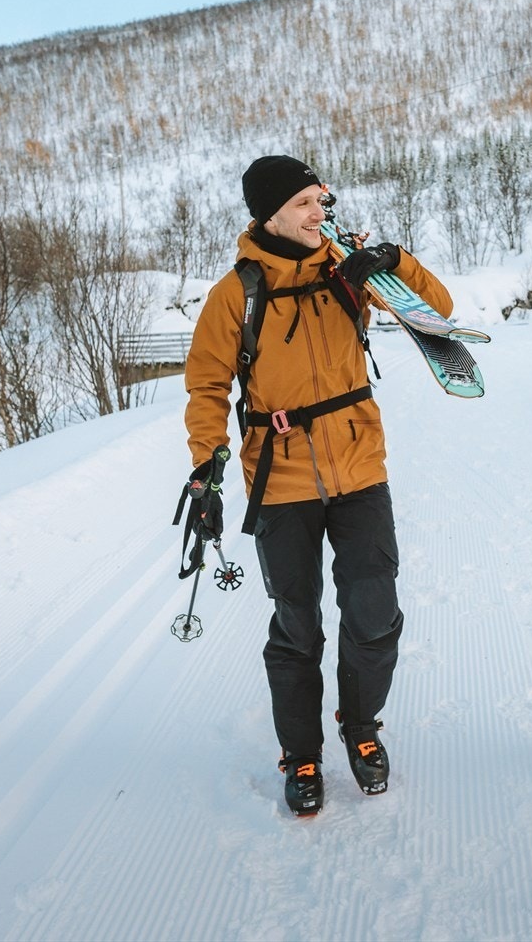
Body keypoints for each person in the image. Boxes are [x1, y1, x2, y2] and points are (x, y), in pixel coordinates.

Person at [182, 155, 454, 817]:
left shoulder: (348, 268)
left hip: (359, 466)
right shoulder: (236, 293)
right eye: (305, 201)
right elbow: (206, 385)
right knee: (297, 623)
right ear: (271, 212)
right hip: (281, 479)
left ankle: (361, 728)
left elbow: (437, 315)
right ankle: (301, 752)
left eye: (321, 200)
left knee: (374, 610)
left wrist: (392, 261)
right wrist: (207, 465)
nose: (318, 212)